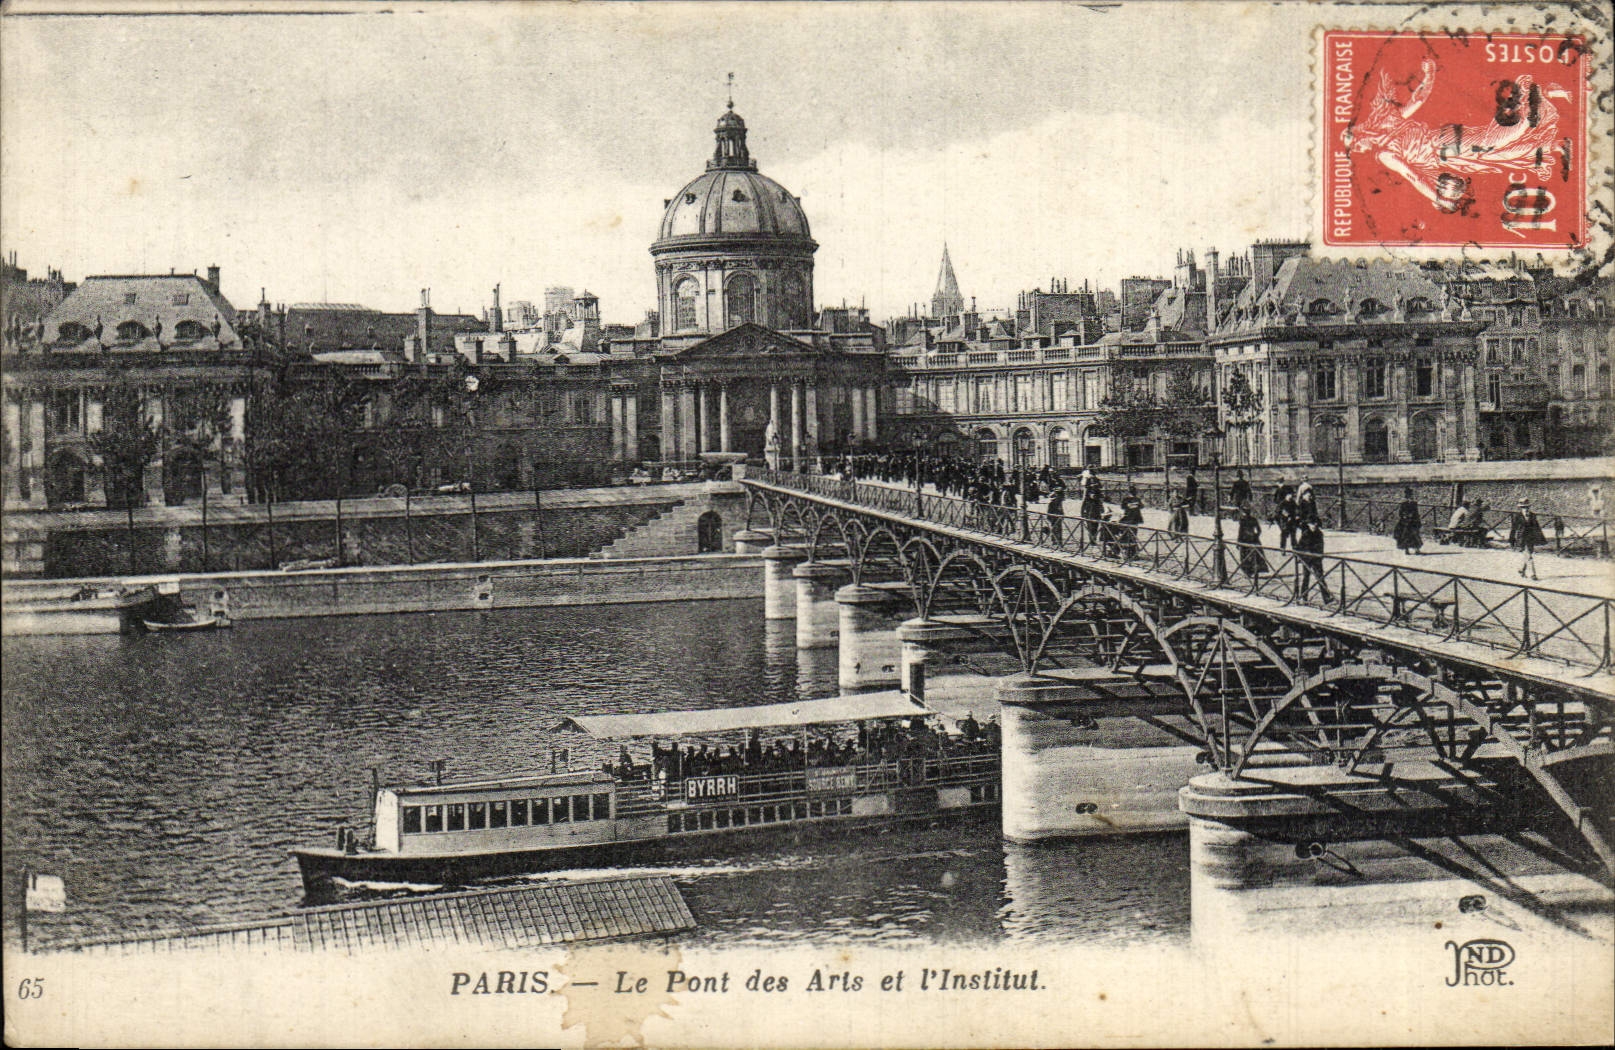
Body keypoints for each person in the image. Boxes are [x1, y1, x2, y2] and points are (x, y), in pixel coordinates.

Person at [1294, 517, 1332, 603]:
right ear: (1308, 525)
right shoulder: (1306, 533)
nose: (1314, 526)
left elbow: (1321, 546)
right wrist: (1300, 556)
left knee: (1320, 577)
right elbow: (1300, 547)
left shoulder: (1319, 534)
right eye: (1312, 524)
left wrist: (1319, 556)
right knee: (1306, 578)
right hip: (1307, 560)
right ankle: (1304, 597)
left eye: (1315, 524)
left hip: (1316, 559)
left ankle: (1326, 598)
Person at [1509, 498, 1546, 580]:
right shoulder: (1517, 516)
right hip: (1521, 539)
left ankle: (1521, 570)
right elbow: (1513, 528)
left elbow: (1537, 528)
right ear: (1520, 508)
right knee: (1528, 555)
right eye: (1523, 507)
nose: (1525, 509)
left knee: (1528, 555)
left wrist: (1540, 538)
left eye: (1526, 507)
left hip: (1530, 538)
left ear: (1529, 507)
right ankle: (1533, 574)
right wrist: (1511, 539)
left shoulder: (1533, 515)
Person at [1236, 502, 1267, 583]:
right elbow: (1259, 530)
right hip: (1253, 540)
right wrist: (1256, 536)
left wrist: (1238, 541)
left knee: (1245, 557)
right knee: (1254, 556)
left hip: (1245, 540)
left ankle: (1248, 572)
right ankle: (1253, 571)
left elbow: (1240, 532)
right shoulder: (1253, 519)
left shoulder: (1242, 520)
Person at [1394, 486, 1423, 554]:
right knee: (1405, 536)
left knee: (1415, 535)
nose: (1410, 496)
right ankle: (1406, 550)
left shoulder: (1414, 503)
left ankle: (1417, 549)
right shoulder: (1403, 503)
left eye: (1410, 495)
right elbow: (1400, 512)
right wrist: (1405, 516)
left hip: (1413, 521)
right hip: (1405, 522)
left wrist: (1416, 518)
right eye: (1409, 495)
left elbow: (1416, 512)